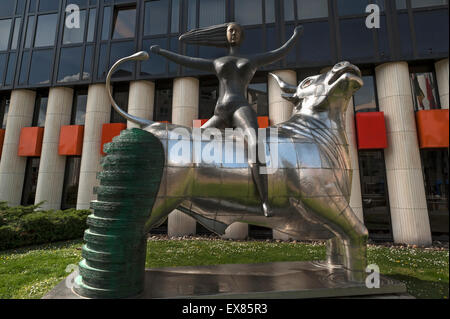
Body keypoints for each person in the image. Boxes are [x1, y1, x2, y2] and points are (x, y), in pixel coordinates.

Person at [150, 22, 303, 217]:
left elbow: (280, 52)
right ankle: (179, 191)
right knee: (190, 143)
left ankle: (265, 201)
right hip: (221, 110)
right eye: (230, 31)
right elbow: (187, 60)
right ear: (225, 34)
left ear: (242, 36)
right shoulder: (217, 61)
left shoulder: (252, 59)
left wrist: (295, 37)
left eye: (237, 31)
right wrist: (163, 52)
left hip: (241, 107)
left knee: (256, 143)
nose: (233, 34)